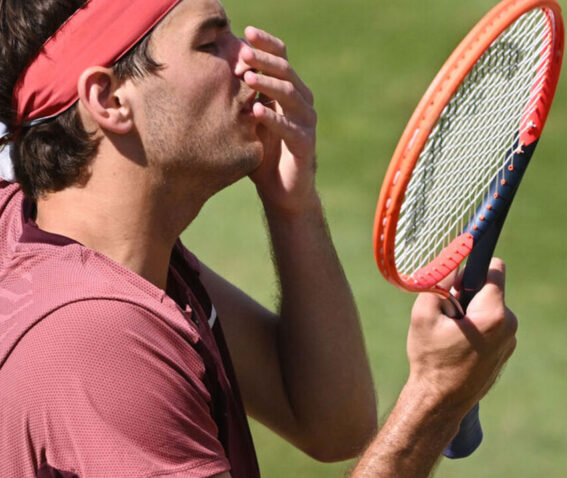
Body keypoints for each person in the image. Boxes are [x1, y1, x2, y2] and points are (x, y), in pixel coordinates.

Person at [0, 0, 518, 477]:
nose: (249, 56)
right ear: (109, 99)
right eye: (211, 43)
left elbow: (330, 422)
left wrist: (292, 207)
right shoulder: (97, 340)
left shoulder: (59, 240)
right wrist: (433, 402)